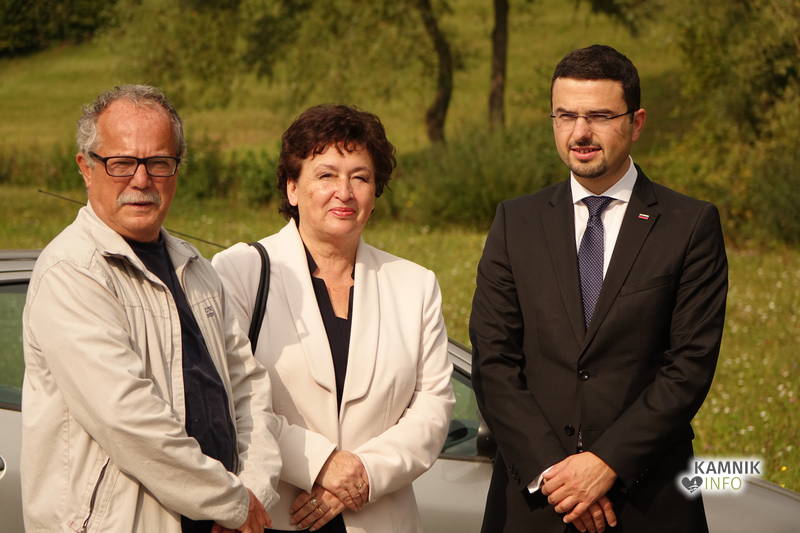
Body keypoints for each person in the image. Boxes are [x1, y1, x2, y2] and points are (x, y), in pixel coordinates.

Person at [470, 45, 728, 533]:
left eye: (599, 116)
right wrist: (556, 474)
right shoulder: (515, 221)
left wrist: (606, 464)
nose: (580, 133)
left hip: (647, 503)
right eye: (566, 115)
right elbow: (493, 360)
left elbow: (689, 366)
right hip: (534, 503)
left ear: (637, 122)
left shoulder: (689, 225)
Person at [21, 85, 281, 533]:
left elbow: (249, 389)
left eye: (159, 162)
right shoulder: (73, 271)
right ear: (86, 167)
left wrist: (253, 490)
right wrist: (232, 501)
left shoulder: (196, 268)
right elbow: (127, 418)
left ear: (177, 168)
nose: (141, 180)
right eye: (121, 163)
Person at [212, 104, 454, 532]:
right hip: (275, 517)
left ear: (375, 192)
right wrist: (322, 464)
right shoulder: (241, 272)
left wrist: (363, 474)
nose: (344, 192)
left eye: (360, 177)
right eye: (326, 175)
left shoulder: (415, 285)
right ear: (292, 188)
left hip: (381, 518)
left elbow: (433, 408)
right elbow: (227, 396)